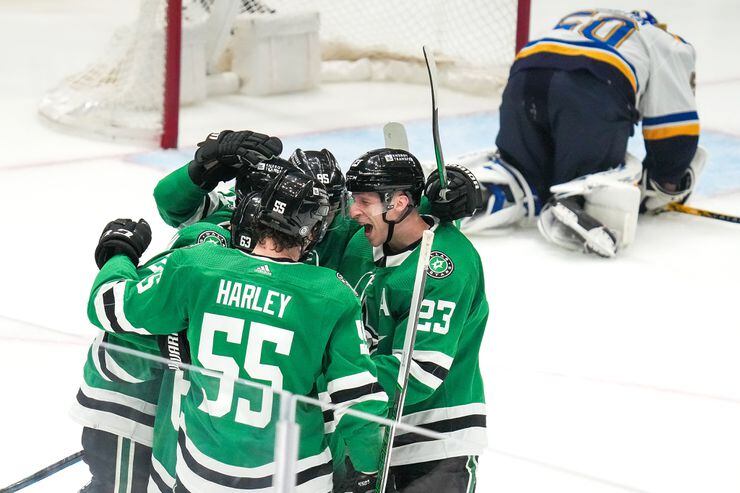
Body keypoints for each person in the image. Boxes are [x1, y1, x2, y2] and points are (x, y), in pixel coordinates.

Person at [87, 169, 388, 492]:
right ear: (313, 232)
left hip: (203, 475)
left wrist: (119, 254)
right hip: (294, 479)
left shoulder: (198, 266)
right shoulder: (331, 294)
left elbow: (107, 307)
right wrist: (371, 469)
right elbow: (358, 403)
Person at [463, 9, 705, 257]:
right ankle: (574, 198)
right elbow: (674, 133)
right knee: (599, 175)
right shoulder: (666, 42)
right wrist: (667, 180)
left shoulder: (581, 17)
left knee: (522, 171)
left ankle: (489, 193)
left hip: (523, 81)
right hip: (592, 89)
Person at [338, 148, 489, 492]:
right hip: (370, 430)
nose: (353, 210)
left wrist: (333, 382)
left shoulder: (443, 266)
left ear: (400, 203)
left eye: (363, 201)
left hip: (435, 438)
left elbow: (419, 373)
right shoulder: (363, 241)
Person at [73, 219, 231, 493]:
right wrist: (120, 253)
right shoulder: (206, 253)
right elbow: (116, 312)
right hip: (126, 401)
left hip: (149, 404)